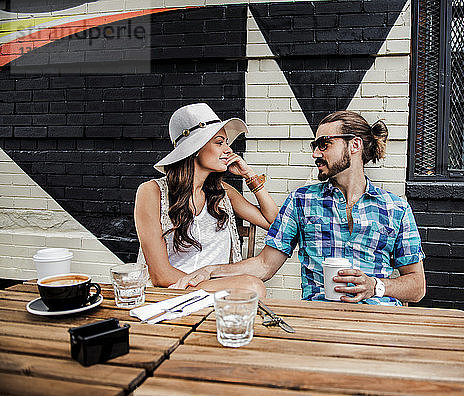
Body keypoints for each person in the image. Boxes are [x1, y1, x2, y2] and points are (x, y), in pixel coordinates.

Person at [171, 110, 426, 306]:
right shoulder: (302, 200)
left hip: (378, 321)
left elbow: (417, 286)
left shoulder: (396, 208)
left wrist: (376, 287)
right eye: (314, 145)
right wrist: (210, 270)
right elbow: (264, 266)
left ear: (355, 145)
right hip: (318, 318)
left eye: (324, 144)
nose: (315, 153)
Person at [134, 103, 278, 298]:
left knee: (253, 287)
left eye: (227, 143)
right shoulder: (151, 192)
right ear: (195, 149)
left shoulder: (223, 192)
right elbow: (160, 275)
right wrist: (211, 290)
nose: (228, 150)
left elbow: (275, 225)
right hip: (171, 294)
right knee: (252, 287)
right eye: (220, 142)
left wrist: (250, 176)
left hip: (217, 292)